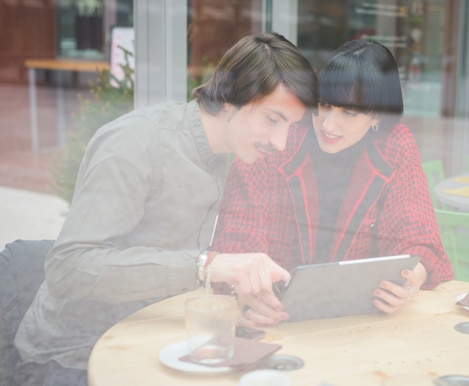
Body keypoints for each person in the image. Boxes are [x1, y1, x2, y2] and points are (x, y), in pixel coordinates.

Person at [14, 32, 318, 385]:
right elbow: (68, 269)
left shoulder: (226, 155)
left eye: (291, 127)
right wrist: (208, 265)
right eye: (272, 119)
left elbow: (165, 263)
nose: (281, 144)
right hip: (69, 357)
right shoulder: (136, 143)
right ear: (232, 99)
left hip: (149, 339)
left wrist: (237, 298)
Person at [213, 39, 454, 325]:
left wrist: (412, 279)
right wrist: (247, 289)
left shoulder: (395, 146)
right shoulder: (281, 135)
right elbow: (239, 236)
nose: (327, 125)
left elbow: (419, 241)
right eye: (323, 106)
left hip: (362, 320)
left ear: (376, 114)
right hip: (271, 314)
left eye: (348, 113)